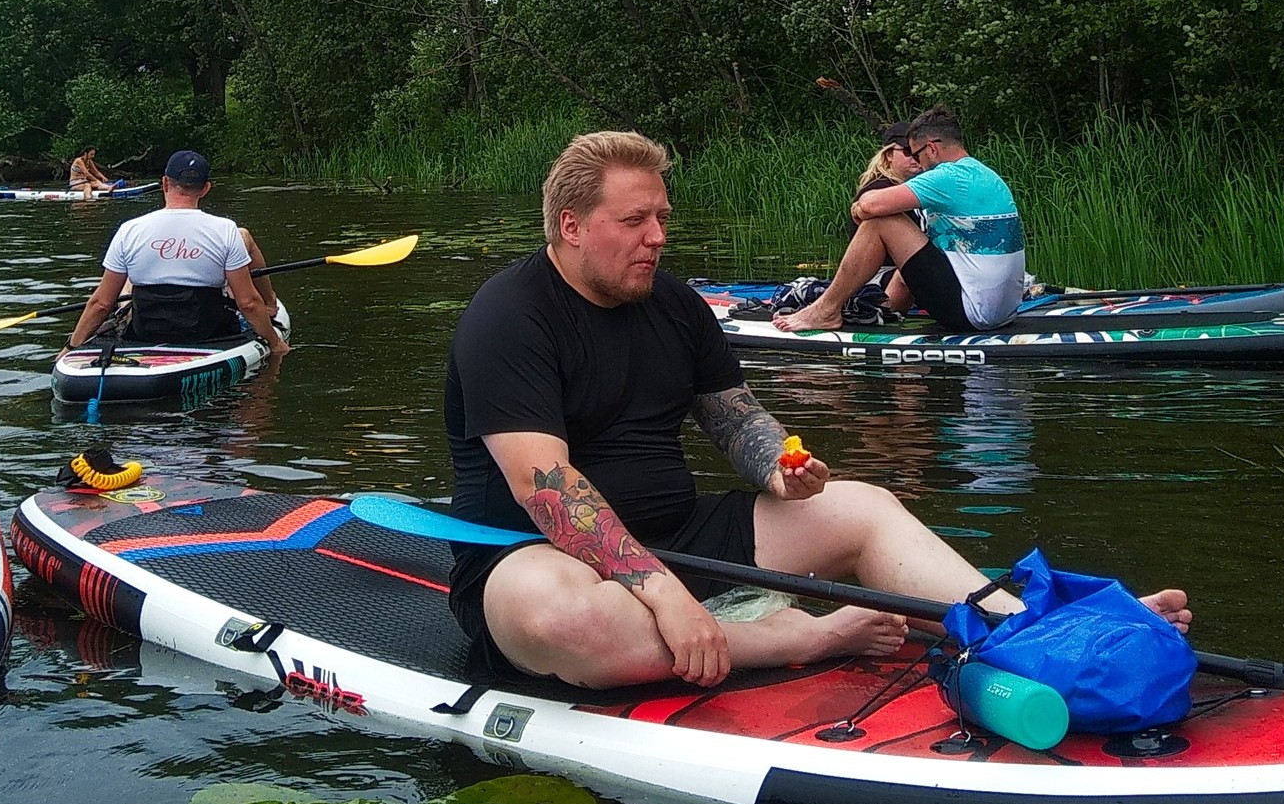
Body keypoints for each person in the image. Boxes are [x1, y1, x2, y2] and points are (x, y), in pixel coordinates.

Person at [445, 130, 1188, 690]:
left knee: (861, 504)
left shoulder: (672, 303)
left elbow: (734, 414)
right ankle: (795, 636)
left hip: (682, 538)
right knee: (562, 618)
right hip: (535, 556)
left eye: (662, 216)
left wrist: (779, 464)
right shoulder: (508, 315)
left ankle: (1037, 633)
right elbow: (544, 486)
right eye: (635, 220)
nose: (659, 237)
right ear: (571, 225)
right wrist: (662, 594)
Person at [776, 107, 1024, 335]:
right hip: (1004, 312)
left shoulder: (946, 176)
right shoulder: (985, 173)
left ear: (932, 149)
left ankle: (826, 311)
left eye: (917, 154)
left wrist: (859, 208)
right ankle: (871, 307)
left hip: (973, 313)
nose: (919, 164)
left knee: (881, 222)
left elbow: (871, 205)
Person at [71, 150, 289, 352]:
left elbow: (100, 304)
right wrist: (275, 343)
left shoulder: (129, 230)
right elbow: (248, 303)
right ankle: (270, 304)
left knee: (130, 276)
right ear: (205, 188)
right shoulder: (226, 230)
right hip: (207, 335)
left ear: (165, 183)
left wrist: (70, 348)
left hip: (146, 333)